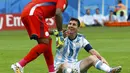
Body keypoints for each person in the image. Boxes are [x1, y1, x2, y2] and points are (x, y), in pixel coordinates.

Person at [11, 0, 67, 73]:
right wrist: (60, 34)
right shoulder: (63, 1)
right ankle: (19, 65)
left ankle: (52, 71)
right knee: (45, 43)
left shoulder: (44, 8)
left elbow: (46, 30)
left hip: (28, 13)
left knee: (47, 40)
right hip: (34, 13)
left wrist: (55, 32)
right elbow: (58, 13)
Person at [53, 17, 122, 73]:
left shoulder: (81, 39)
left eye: (74, 24)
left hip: (74, 66)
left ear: (78, 28)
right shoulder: (61, 35)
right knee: (65, 67)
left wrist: (101, 58)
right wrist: (62, 37)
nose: (71, 26)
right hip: (59, 67)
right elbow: (59, 46)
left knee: (92, 57)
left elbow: (91, 50)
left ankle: (109, 70)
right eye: (70, 24)